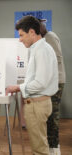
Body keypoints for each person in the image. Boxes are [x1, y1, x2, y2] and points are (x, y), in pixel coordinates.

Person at [6, 16, 58, 155]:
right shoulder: (38, 49)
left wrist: (17, 87)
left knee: (39, 149)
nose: (20, 39)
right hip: (36, 104)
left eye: (22, 35)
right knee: (39, 145)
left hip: (37, 105)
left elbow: (41, 82)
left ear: (32, 32)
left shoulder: (42, 50)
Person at [39, 19, 66, 155]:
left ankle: (55, 149)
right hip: (52, 81)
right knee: (50, 116)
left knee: (53, 116)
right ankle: (52, 148)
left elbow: (57, 59)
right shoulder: (45, 39)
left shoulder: (50, 37)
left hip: (56, 82)